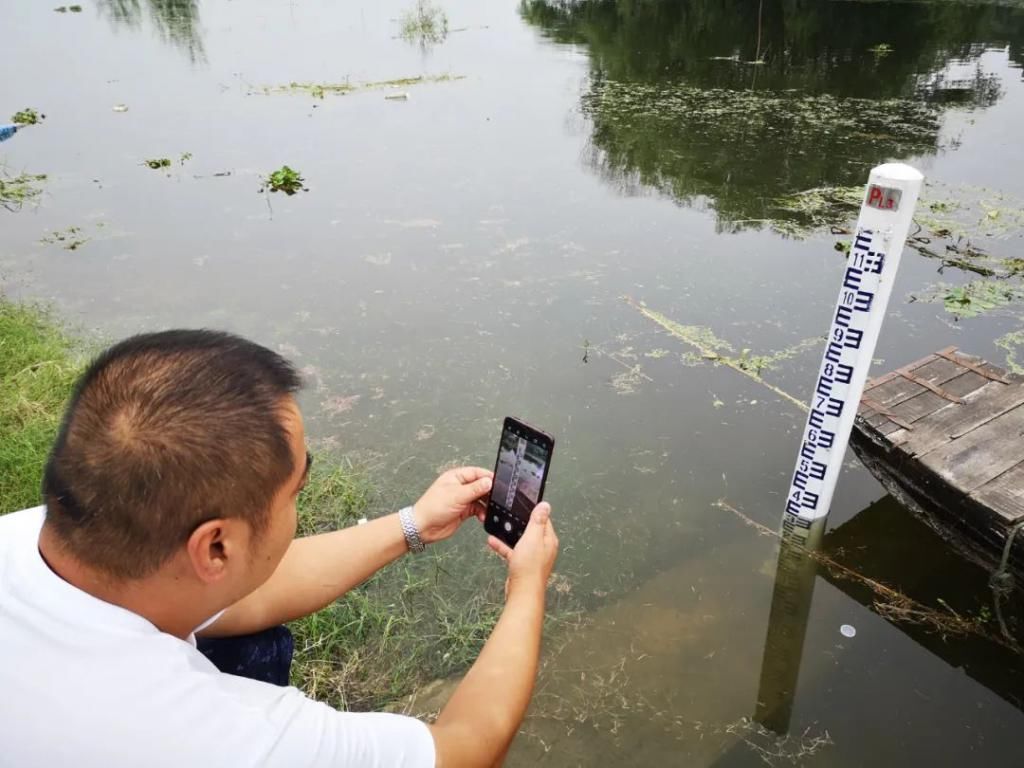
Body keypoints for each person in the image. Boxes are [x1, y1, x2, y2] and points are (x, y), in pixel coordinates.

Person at [0, 330, 559, 767]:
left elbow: (249, 597)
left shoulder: (37, 536)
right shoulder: (225, 742)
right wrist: (527, 588)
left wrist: (412, 524)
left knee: (252, 636)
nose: (303, 495)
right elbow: (466, 752)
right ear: (215, 547)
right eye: (296, 488)